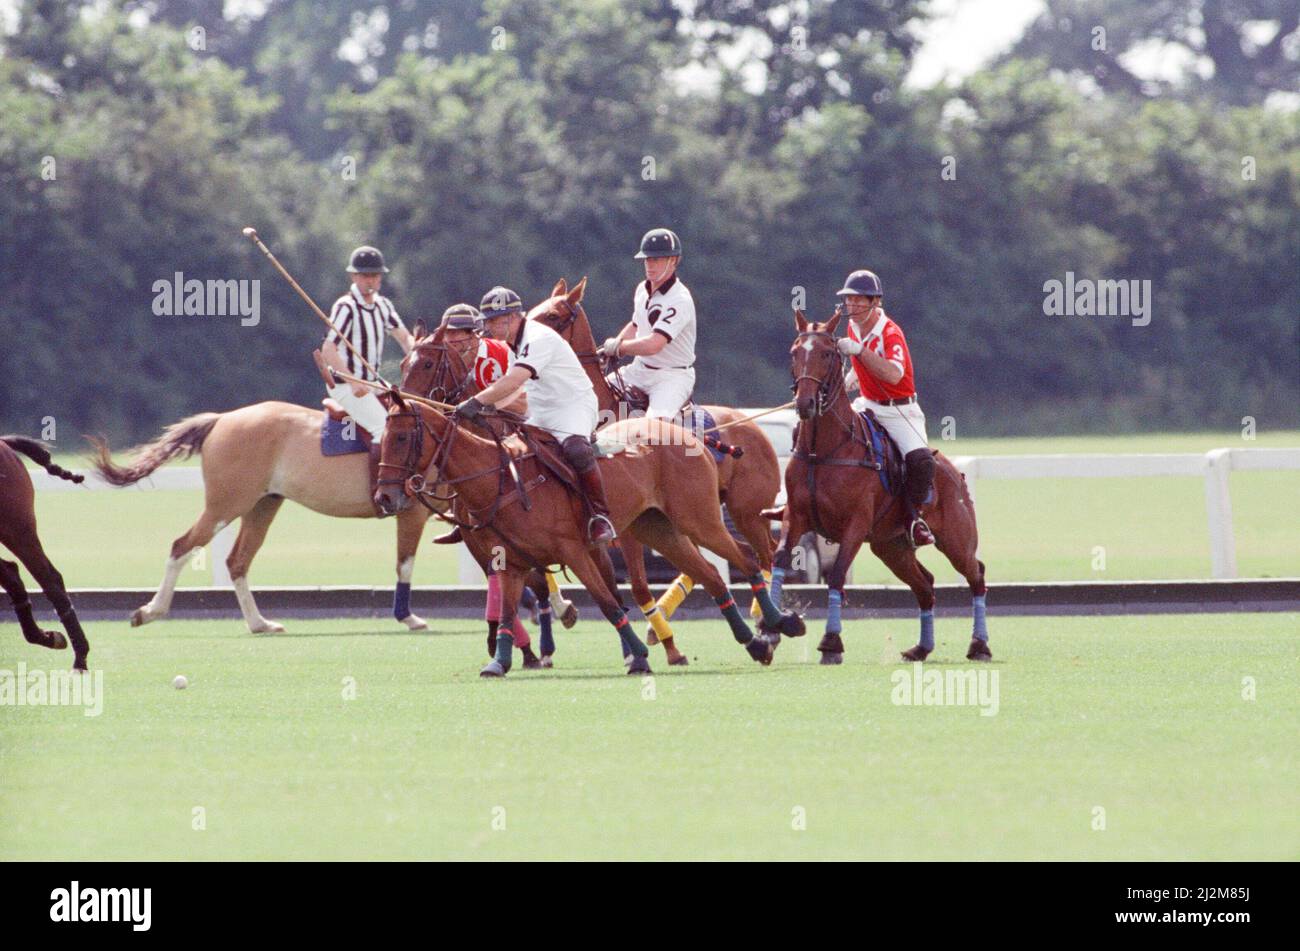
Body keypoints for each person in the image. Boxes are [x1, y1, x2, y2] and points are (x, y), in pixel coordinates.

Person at [454, 294, 617, 546]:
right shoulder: (512, 343)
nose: (489, 327)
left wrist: (478, 401)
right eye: (488, 321)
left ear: (512, 318)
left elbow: (514, 380)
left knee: (575, 449)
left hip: (573, 405)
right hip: (541, 408)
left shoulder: (538, 338)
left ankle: (600, 516)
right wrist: (488, 408)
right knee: (507, 449)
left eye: (494, 321)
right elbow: (516, 391)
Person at [833, 269, 936, 548]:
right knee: (829, 430)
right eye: (848, 300)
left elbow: (893, 374)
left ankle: (914, 520)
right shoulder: (854, 325)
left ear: (874, 301)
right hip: (868, 403)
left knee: (921, 461)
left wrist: (859, 353)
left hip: (899, 410)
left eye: (858, 301)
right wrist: (854, 375)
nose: (851, 306)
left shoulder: (890, 332)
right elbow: (862, 360)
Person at [597, 228, 696, 420]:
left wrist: (619, 348)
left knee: (651, 431)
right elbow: (636, 325)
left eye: (657, 259)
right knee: (591, 398)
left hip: (671, 377)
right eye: (647, 259)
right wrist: (607, 349)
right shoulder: (642, 289)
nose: (650, 265)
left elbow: (654, 345)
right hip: (639, 370)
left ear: (673, 260)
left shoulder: (680, 299)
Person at [320, 245, 414, 439]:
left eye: (374, 275)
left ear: (380, 277)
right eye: (364, 275)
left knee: (412, 419)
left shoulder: (383, 305)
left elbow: (404, 338)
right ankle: (380, 471)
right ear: (353, 276)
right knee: (386, 430)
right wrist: (351, 381)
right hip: (345, 385)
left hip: (374, 383)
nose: (370, 280)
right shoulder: (347, 307)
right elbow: (328, 349)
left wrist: (419, 357)